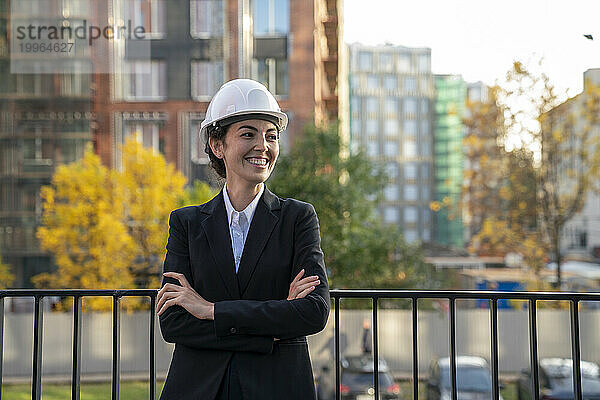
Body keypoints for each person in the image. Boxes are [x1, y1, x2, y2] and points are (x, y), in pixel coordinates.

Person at [156, 78, 330, 400]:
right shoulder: (187, 223)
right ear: (217, 146)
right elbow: (174, 322)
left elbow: (313, 312)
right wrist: (271, 327)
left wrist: (210, 310)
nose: (262, 146)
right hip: (201, 388)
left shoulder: (298, 218)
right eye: (248, 134)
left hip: (277, 388)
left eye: (271, 136)